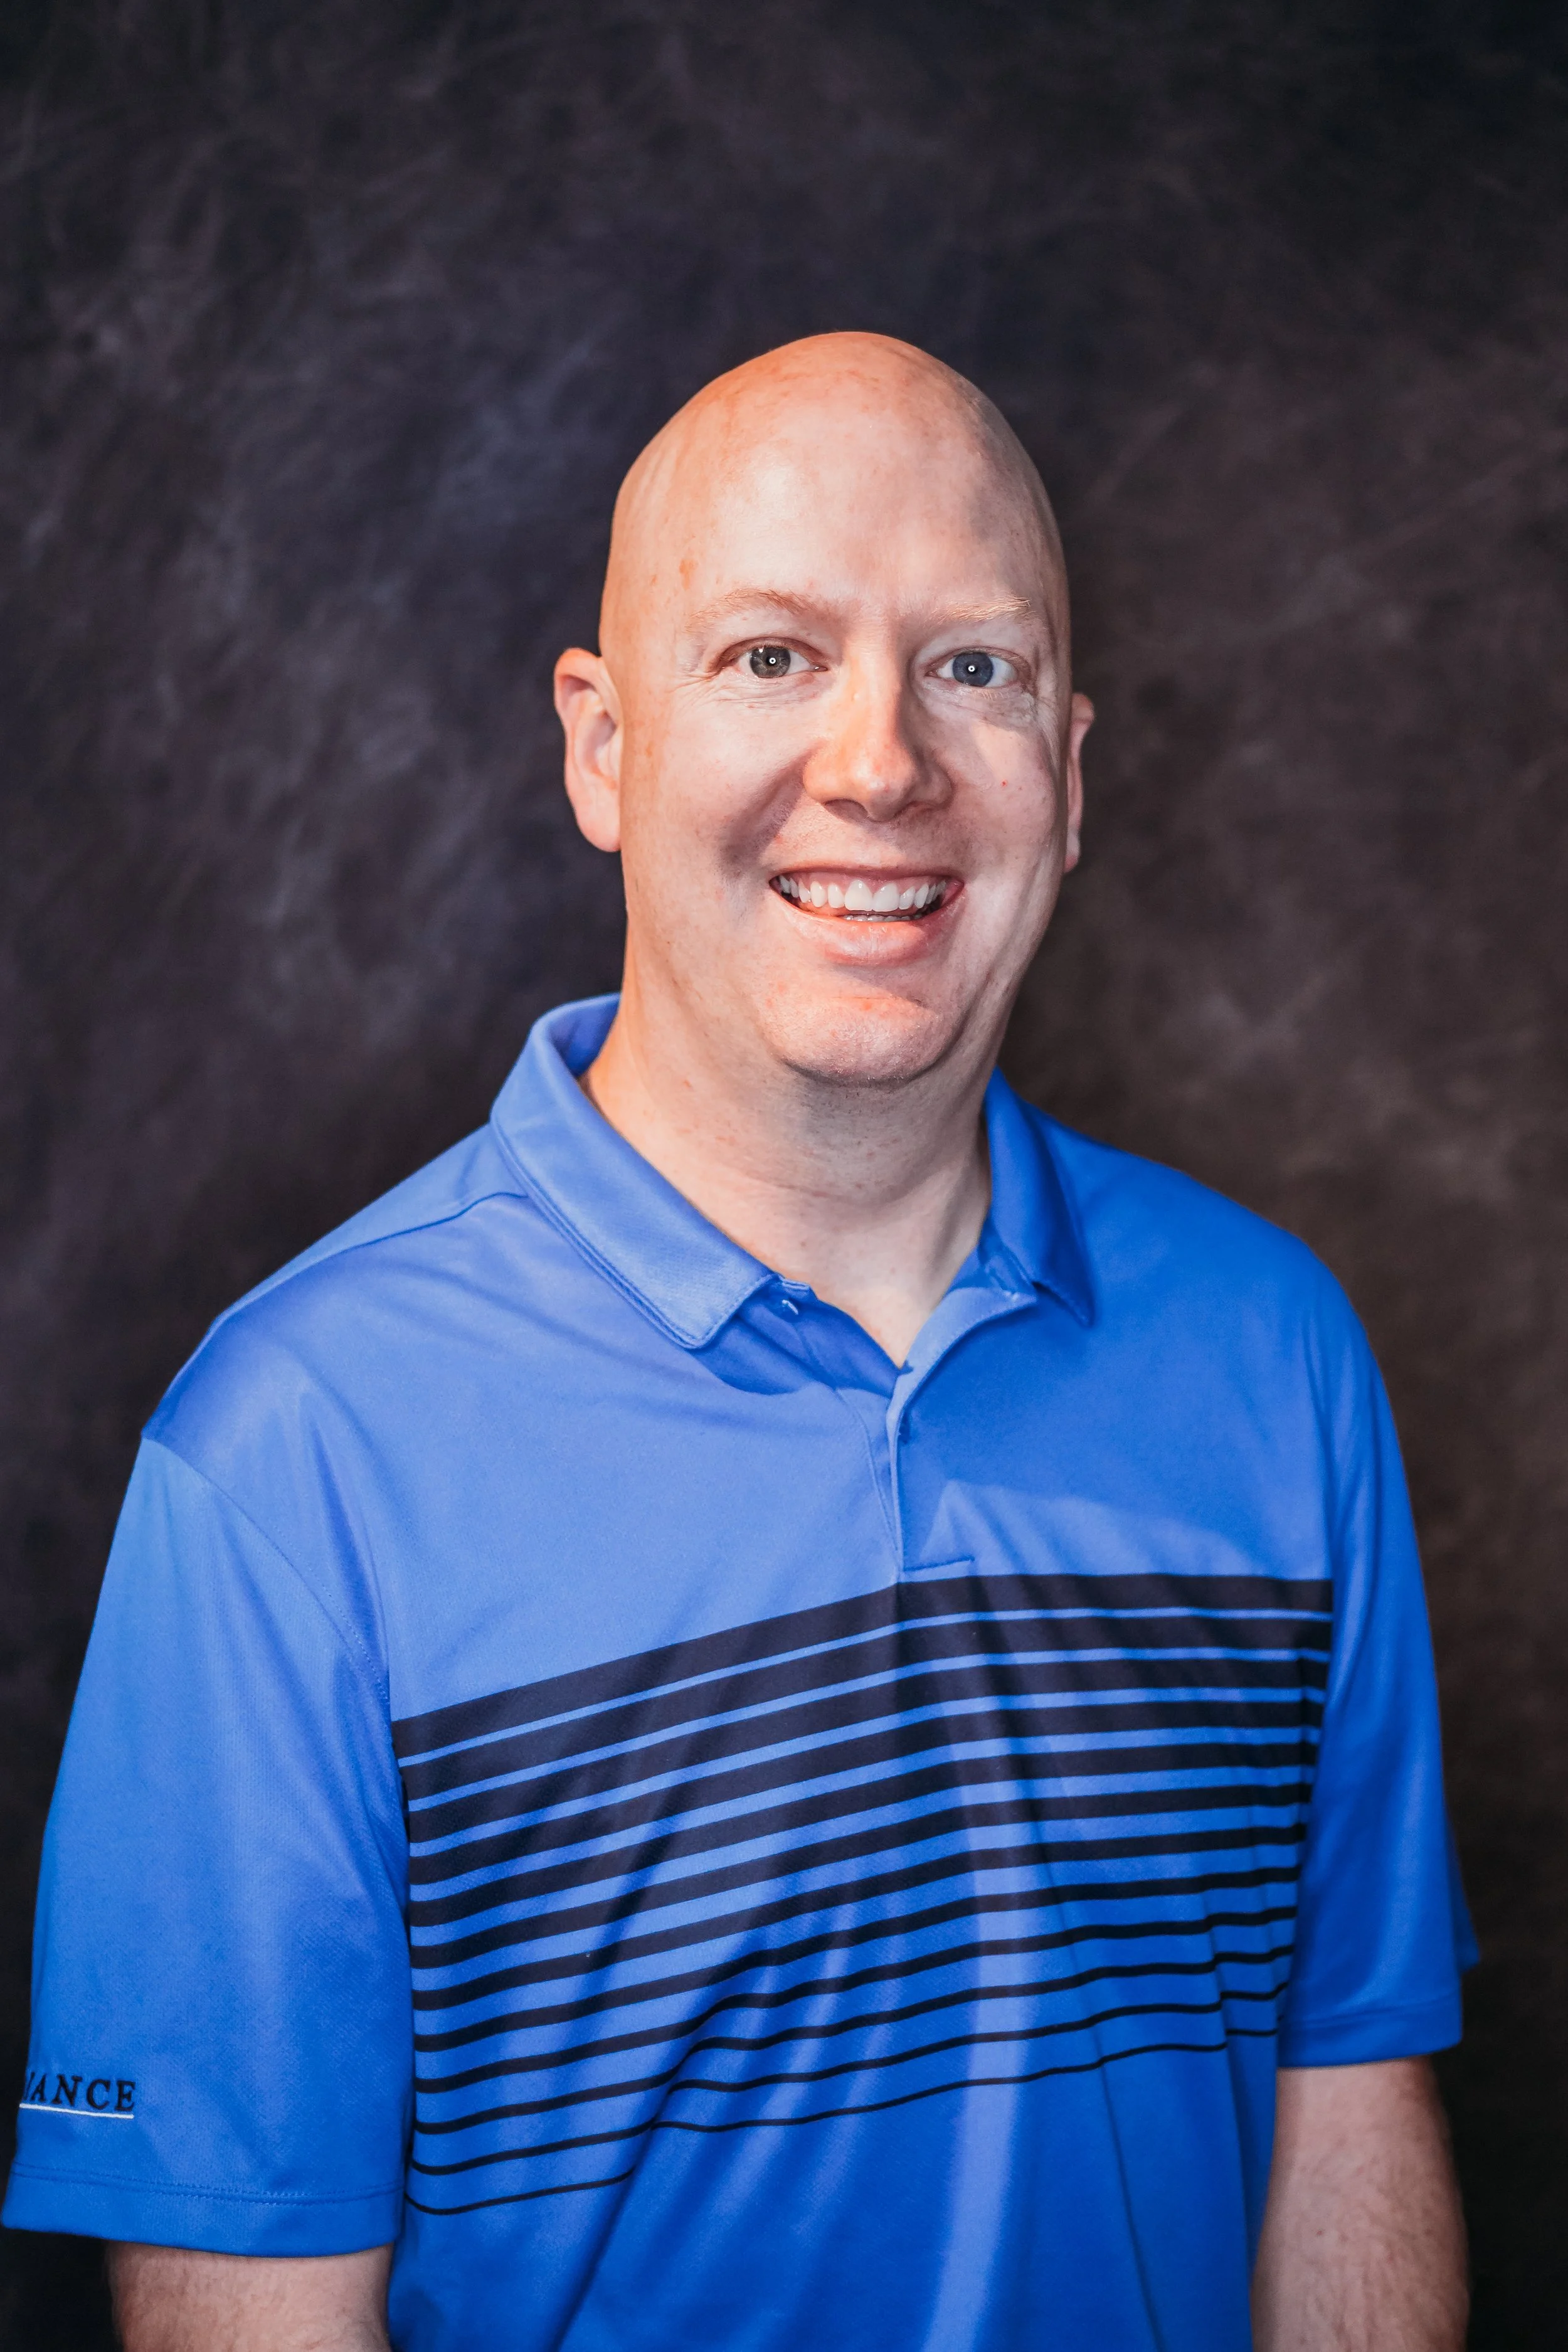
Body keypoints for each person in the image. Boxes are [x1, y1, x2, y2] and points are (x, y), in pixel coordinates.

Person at [4, 333, 1473, 2352]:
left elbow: (1345, 2108)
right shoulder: (289, 1458)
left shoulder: (1273, 1357)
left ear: (1069, 769)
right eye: (771, 654)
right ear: (602, 748)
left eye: (973, 664)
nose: (880, 762)